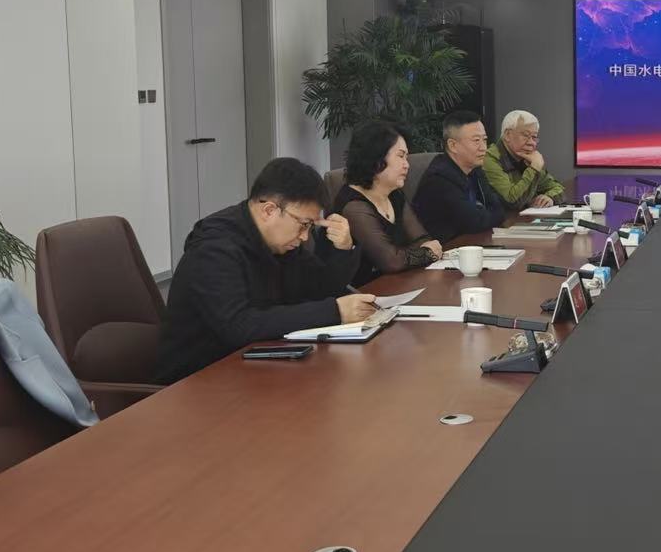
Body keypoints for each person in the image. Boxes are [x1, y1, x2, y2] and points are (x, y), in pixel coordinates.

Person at [155, 157, 376, 385]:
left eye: (310, 226)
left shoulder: (278, 242)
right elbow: (239, 326)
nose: (304, 236)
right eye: (303, 224)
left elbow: (321, 289)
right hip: (195, 382)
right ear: (269, 210)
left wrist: (343, 248)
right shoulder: (214, 249)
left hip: (252, 368)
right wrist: (334, 311)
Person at [332, 120, 444, 283]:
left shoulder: (394, 194)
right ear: (376, 158)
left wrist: (410, 254)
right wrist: (426, 253)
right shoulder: (354, 206)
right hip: (364, 290)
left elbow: (422, 239)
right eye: (400, 156)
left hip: (398, 283)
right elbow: (391, 261)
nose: (407, 165)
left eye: (407, 157)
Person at [410, 110, 505, 240]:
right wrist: (487, 214)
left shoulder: (474, 170)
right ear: (453, 145)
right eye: (476, 140)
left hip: (471, 242)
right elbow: (475, 222)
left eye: (484, 140)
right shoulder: (438, 180)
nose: (483, 147)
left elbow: (499, 209)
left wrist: (487, 214)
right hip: (446, 248)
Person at [483, 109, 567, 209]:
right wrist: (534, 168)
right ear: (507, 135)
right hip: (501, 218)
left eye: (534, 137)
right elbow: (512, 201)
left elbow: (558, 188)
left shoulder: (526, 157)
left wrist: (550, 197)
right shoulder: (489, 159)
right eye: (526, 135)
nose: (531, 142)